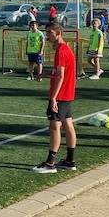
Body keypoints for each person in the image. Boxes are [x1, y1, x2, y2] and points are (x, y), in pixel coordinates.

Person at [33, 24, 78, 174]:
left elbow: (60, 76)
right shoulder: (65, 49)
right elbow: (58, 72)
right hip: (67, 94)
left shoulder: (61, 51)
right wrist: (45, 74)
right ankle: (69, 161)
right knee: (68, 124)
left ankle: (50, 163)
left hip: (60, 95)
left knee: (55, 127)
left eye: (50, 33)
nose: (47, 36)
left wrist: (53, 98)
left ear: (58, 33)